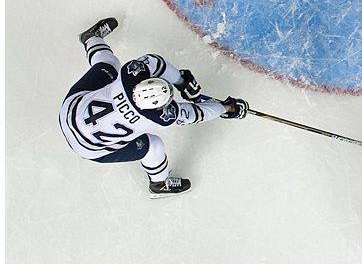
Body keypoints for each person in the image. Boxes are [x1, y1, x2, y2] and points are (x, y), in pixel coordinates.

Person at [58, 17, 250, 197]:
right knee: (153, 145)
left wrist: (183, 82)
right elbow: (198, 112)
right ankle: (159, 183)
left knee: (110, 65)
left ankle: (91, 39)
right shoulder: (163, 116)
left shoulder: (130, 75)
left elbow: (154, 62)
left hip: (72, 111)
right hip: (90, 148)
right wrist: (226, 108)